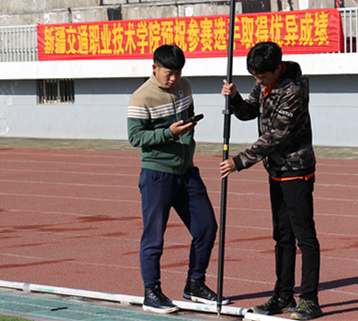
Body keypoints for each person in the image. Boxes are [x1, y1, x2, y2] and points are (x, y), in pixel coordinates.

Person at [219, 41, 323, 320]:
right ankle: (283, 295)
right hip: (275, 170)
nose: (258, 81)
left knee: (305, 237)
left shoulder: (293, 90)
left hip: (296, 170)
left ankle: (310, 300)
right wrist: (235, 98)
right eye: (254, 76)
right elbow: (248, 112)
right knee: (282, 237)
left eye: (262, 76)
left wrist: (240, 161)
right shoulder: (264, 83)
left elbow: (276, 135)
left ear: (277, 68)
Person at [127, 44, 227, 314]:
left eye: (178, 73)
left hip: (187, 171)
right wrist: (169, 133)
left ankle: (195, 283)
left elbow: (187, 116)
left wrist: (188, 127)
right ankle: (151, 292)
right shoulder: (141, 97)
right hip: (157, 174)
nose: (173, 79)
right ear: (154, 68)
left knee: (207, 227)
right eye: (168, 73)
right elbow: (135, 137)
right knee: (154, 236)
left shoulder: (186, 86)